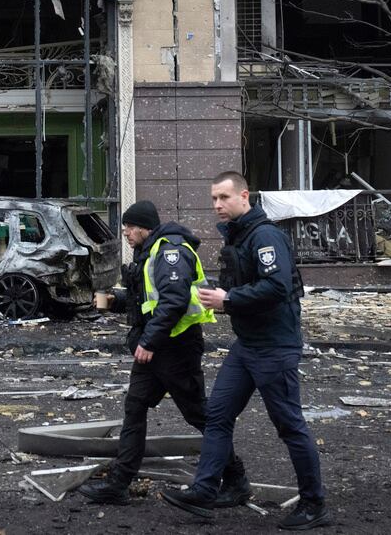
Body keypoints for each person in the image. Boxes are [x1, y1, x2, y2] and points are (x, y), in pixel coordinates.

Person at [161, 172, 329, 531]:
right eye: (213, 199)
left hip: (275, 348)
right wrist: (218, 295)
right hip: (247, 346)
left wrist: (229, 299)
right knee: (217, 416)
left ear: (244, 196)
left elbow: (277, 286)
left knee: (289, 426)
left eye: (223, 197)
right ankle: (207, 489)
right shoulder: (240, 237)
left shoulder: (265, 235)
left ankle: (314, 505)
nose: (217, 206)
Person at [78, 200, 248, 507]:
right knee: (135, 406)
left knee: (198, 414)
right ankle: (119, 483)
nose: (126, 233)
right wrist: (109, 301)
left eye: (129, 227)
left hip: (175, 347)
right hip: (156, 347)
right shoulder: (149, 252)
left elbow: (174, 301)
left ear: (144, 227)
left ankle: (235, 480)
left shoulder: (171, 251)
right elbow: (146, 299)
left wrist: (149, 342)